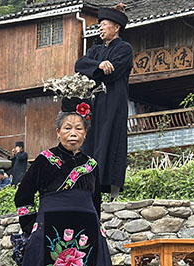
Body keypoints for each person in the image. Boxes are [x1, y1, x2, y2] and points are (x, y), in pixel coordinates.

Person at [14, 97, 139, 266]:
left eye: (79, 128)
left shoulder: (91, 165)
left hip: (86, 235)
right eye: (68, 128)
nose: (73, 133)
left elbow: (96, 203)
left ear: (85, 133)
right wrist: (31, 228)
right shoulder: (45, 160)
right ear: (58, 132)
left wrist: (98, 227)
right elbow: (23, 196)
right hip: (49, 231)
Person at [74, 5, 133, 200]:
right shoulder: (95, 50)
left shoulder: (125, 49)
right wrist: (98, 64)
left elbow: (111, 74)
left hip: (114, 103)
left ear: (116, 28)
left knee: (112, 141)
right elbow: (79, 65)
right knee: (92, 142)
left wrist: (97, 71)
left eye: (104, 24)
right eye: (99, 25)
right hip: (95, 102)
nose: (100, 28)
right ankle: (90, 188)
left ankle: (114, 194)